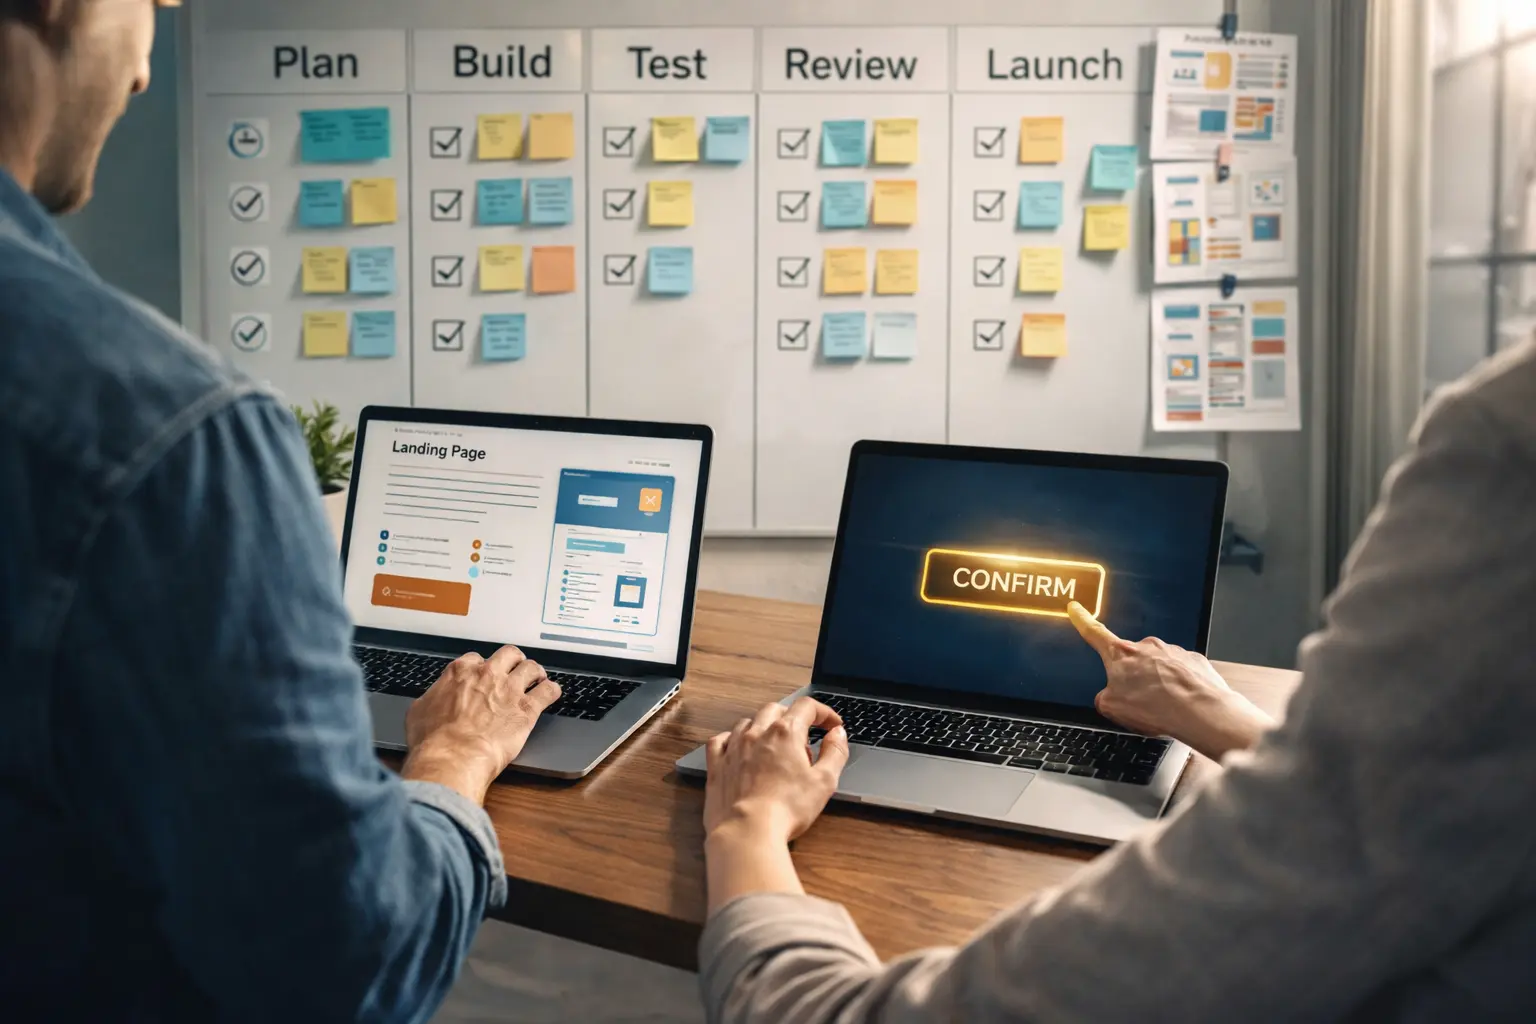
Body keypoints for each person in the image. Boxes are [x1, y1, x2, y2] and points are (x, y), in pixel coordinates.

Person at [699, 338, 1536, 1021]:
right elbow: (1397, 797)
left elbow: (824, 1013)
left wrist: (749, 824)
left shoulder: (1507, 439)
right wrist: (1238, 723)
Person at [0, 3, 560, 1019]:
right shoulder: (166, 431)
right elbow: (350, 964)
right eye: (154, 7)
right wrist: (454, 757)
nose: (139, 75)